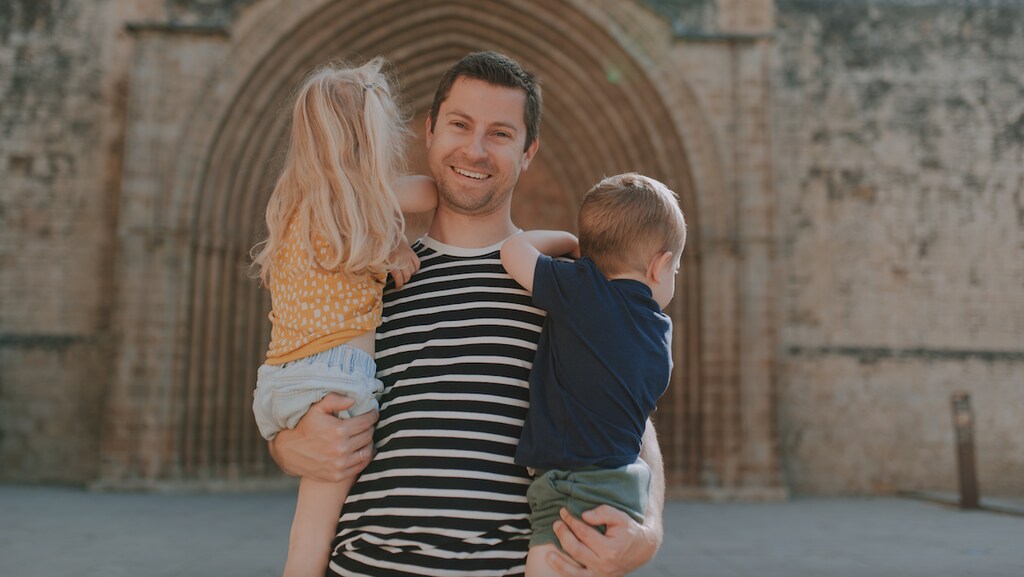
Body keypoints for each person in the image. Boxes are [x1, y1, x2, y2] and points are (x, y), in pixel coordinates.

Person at [268, 51, 665, 577]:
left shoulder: (566, 283)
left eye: (500, 133)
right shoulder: (362, 275)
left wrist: (648, 529)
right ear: (429, 131)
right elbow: (306, 394)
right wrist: (288, 446)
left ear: (528, 152)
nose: (475, 150)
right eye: (460, 125)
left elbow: (632, 419)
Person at [249, 58, 436, 577]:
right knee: (313, 537)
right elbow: (431, 191)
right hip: (334, 380)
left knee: (304, 532)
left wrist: (389, 238)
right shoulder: (364, 200)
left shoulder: (293, 204)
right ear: (367, 141)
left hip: (278, 382)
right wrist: (397, 232)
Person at [500, 173, 686, 577]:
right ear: (662, 265)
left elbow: (513, 249)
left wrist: (568, 245)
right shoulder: (660, 334)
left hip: (573, 485)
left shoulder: (580, 288)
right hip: (623, 486)